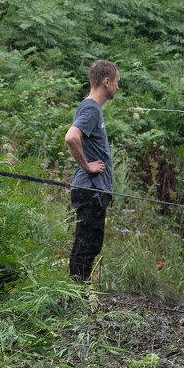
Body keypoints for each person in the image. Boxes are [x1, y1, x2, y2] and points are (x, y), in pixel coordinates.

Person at [65, 60, 119, 281]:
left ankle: (77, 292)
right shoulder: (91, 108)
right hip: (91, 189)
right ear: (106, 81)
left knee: (88, 245)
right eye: (117, 82)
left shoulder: (91, 108)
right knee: (87, 247)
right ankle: (76, 294)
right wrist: (87, 166)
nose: (117, 87)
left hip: (92, 189)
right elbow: (71, 137)